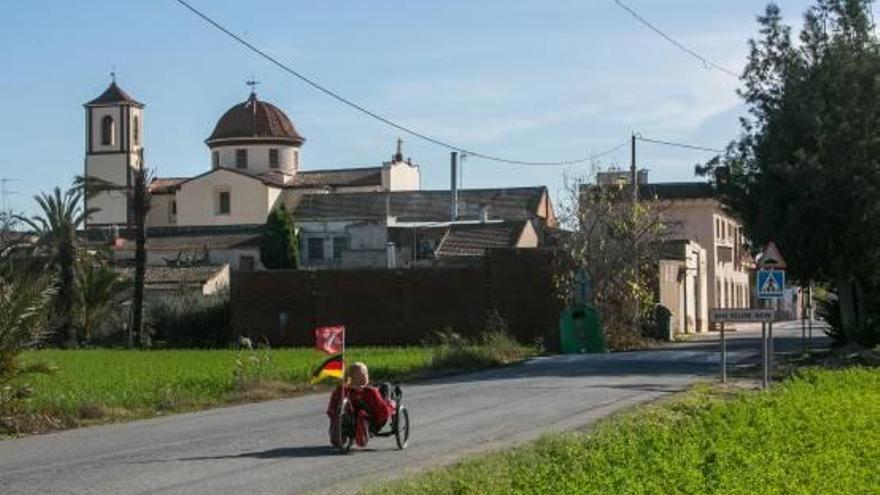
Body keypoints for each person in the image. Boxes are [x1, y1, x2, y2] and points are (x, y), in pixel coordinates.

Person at [326, 362, 396, 447]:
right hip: (371, 421)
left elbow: (331, 410)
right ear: (364, 377)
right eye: (366, 373)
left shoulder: (340, 391)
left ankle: (341, 431)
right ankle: (362, 427)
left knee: (341, 411)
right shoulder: (371, 392)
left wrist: (335, 414)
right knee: (386, 386)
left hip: (348, 418)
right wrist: (390, 405)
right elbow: (383, 412)